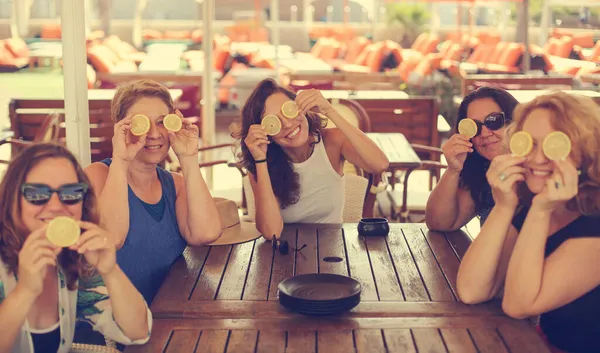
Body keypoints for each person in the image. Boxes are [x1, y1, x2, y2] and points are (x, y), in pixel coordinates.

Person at [456, 92, 600, 352]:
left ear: (586, 153)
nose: (537, 158)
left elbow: (518, 305)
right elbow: (471, 289)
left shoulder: (594, 225)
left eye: (555, 145)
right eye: (529, 143)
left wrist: (541, 211)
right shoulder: (534, 207)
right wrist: (503, 206)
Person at [0, 143, 152, 353]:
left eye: (70, 193)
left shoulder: (70, 260)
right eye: (36, 193)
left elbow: (138, 331)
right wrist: (24, 292)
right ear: (11, 199)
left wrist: (111, 271)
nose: (55, 206)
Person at [84, 79, 222, 305]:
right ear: (121, 128)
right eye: (141, 123)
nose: (154, 134)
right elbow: (112, 238)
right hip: (111, 327)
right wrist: (121, 159)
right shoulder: (97, 175)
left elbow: (205, 233)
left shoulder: (175, 185)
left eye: (161, 122)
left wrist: (188, 159)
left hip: (166, 317)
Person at [234, 79, 388, 239]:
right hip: (284, 256)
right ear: (267, 134)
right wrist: (260, 160)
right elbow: (271, 232)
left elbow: (380, 164)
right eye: (274, 122)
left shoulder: (332, 141)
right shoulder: (261, 165)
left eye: (288, 111)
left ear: (302, 109)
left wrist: (329, 110)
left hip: (332, 253)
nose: (287, 124)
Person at [425, 87, 519, 231]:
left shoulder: (538, 171)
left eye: (493, 121)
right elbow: (439, 223)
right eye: (475, 127)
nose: (485, 133)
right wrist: (453, 170)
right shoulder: (484, 172)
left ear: (515, 121)